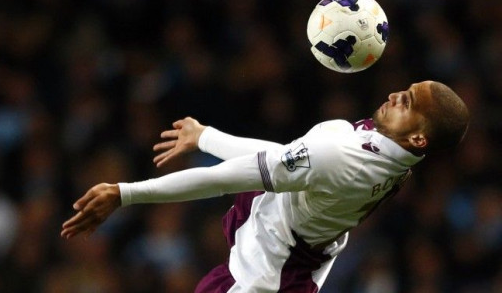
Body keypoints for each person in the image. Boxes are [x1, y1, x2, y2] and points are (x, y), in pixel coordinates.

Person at [61, 80, 469, 292]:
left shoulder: (344, 155)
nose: (396, 95)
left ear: (419, 138)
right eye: (407, 90)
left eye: (409, 103)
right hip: (294, 260)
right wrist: (206, 138)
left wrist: (125, 193)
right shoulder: (397, 157)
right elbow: (290, 158)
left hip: (263, 276)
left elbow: (222, 180)